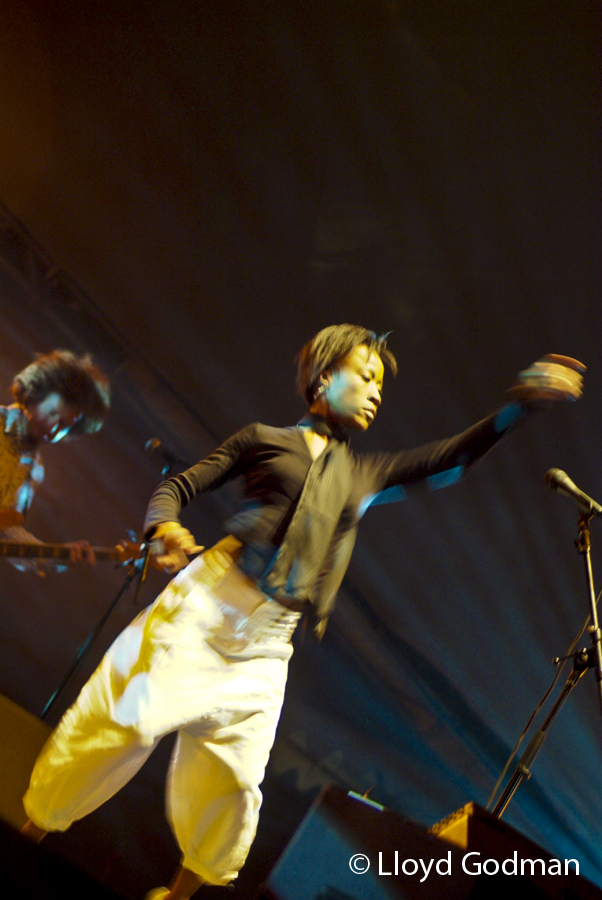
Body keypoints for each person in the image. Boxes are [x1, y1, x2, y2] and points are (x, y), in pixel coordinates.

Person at [21, 326, 584, 900]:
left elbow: (451, 460)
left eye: (381, 384)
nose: (375, 391)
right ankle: (28, 837)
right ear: (322, 379)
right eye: (365, 376)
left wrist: (520, 408)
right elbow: (181, 485)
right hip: (208, 605)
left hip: (269, 642)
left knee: (236, 781)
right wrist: (162, 526)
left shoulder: (363, 475)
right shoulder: (265, 439)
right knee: (124, 722)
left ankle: (179, 895)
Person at [0, 349, 110, 571]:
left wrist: (56, 556)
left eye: (64, 426)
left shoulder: (34, 469)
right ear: (35, 394)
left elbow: (8, 531)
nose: (53, 429)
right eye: (52, 413)